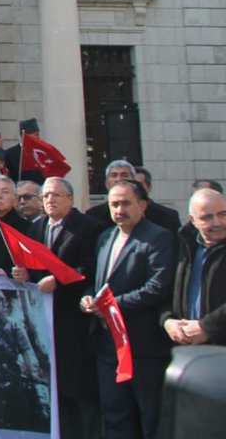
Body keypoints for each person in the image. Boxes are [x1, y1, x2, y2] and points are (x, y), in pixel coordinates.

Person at [80, 180, 176, 439]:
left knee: (150, 418)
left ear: (142, 205)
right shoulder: (105, 237)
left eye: (125, 203)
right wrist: (88, 298)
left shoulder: (159, 237)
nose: (119, 209)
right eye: (114, 204)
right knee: (114, 416)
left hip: (143, 348)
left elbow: (158, 287)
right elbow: (99, 283)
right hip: (107, 347)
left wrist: (112, 306)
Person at [29, 176, 101, 439]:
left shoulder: (88, 228)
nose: (50, 200)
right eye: (46, 196)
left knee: (77, 393)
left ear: (70, 199)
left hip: (73, 321)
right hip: (44, 324)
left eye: (56, 195)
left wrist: (58, 281)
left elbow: (90, 269)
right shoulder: (37, 228)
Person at [0, 289, 46, 431]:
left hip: (12, 372)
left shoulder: (14, 326)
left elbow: (26, 350)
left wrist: (31, 372)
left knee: (21, 410)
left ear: (3, 304)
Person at [160, 187, 226, 346]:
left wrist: (206, 327)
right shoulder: (182, 246)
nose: (217, 222)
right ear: (193, 220)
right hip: (188, 348)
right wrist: (167, 321)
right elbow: (163, 290)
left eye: (223, 214)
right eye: (207, 217)